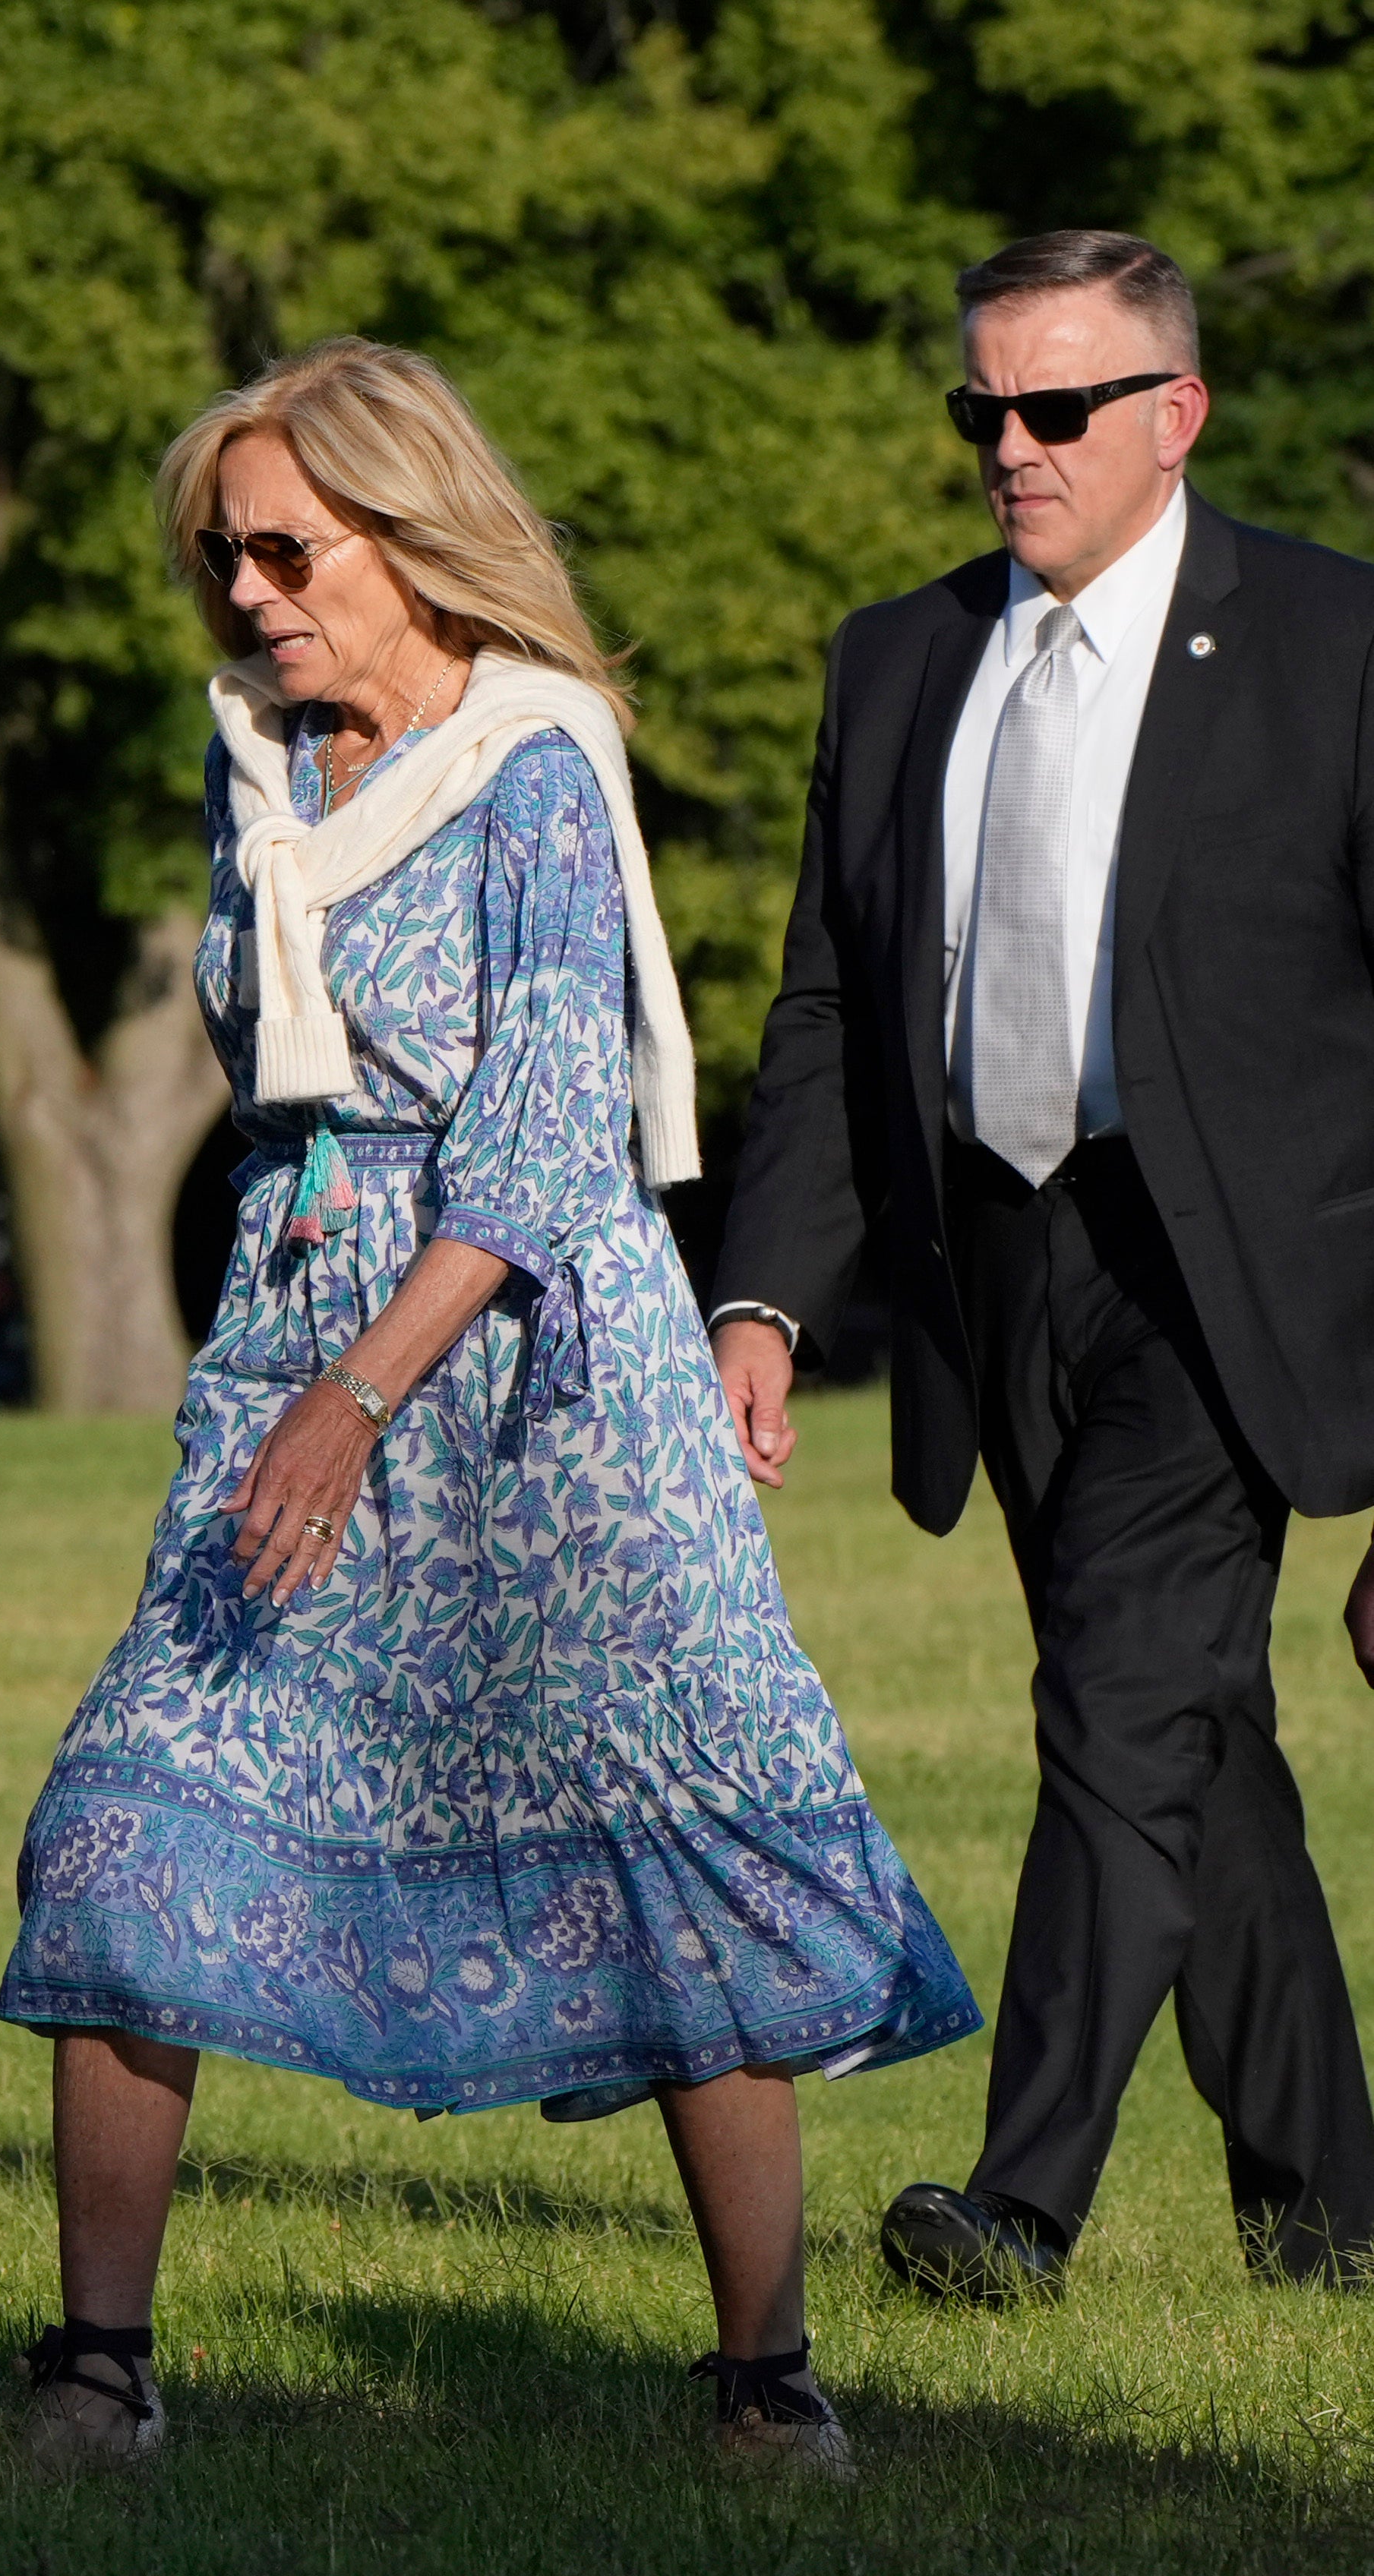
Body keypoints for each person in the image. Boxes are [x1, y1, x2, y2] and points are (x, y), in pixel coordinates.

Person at [0, 339, 979, 2477]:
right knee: (118, 1826)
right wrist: (301, 1376)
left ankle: (762, 2379)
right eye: (216, 557)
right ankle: (95, 2369)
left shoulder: (533, 767)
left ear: (406, 535)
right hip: (297, 1353)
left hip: (536, 1388)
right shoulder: (257, 773)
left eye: (284, 547)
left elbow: (537, 1151)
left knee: (665, 1848)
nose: (246, 592)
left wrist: (354, 1396)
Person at [709, 230, 1374, 2300]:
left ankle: (1017, 2206)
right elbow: (831, 1004)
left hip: (1234, 1273)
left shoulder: (1332, 646)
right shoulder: (895, 656)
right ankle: (1331, 2212)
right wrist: (758, 1297)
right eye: (976, 410)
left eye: (1053, 408)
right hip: (993, 1268)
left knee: (1109, 1699)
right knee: (1185, 1729)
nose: (1007, 446)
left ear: (1169, 417)